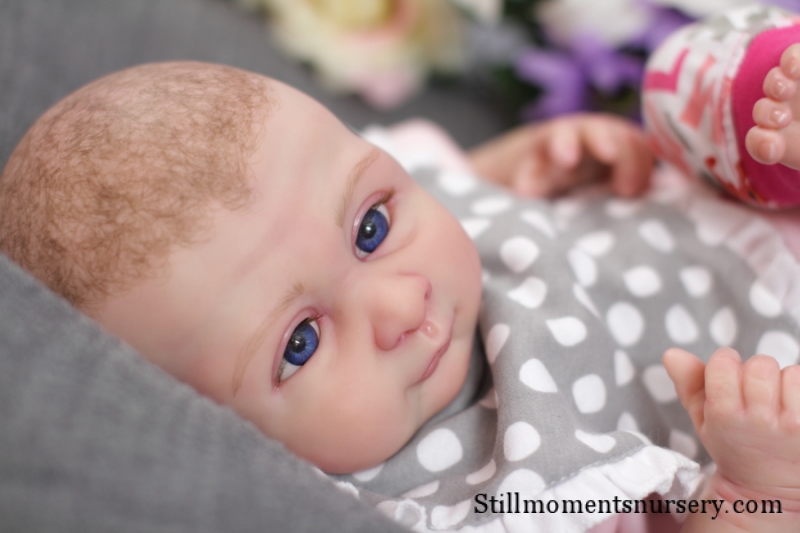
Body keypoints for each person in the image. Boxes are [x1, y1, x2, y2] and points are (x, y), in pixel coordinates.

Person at [0, 28, 799, 533]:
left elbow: (439, 173)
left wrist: (526, 161)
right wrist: (751, 489)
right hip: (773, 362)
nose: (397, 302)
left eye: (372, 229)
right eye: (301, 342)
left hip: (710, 202)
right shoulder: (473, 498)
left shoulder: (325, 198)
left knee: (692, 82)